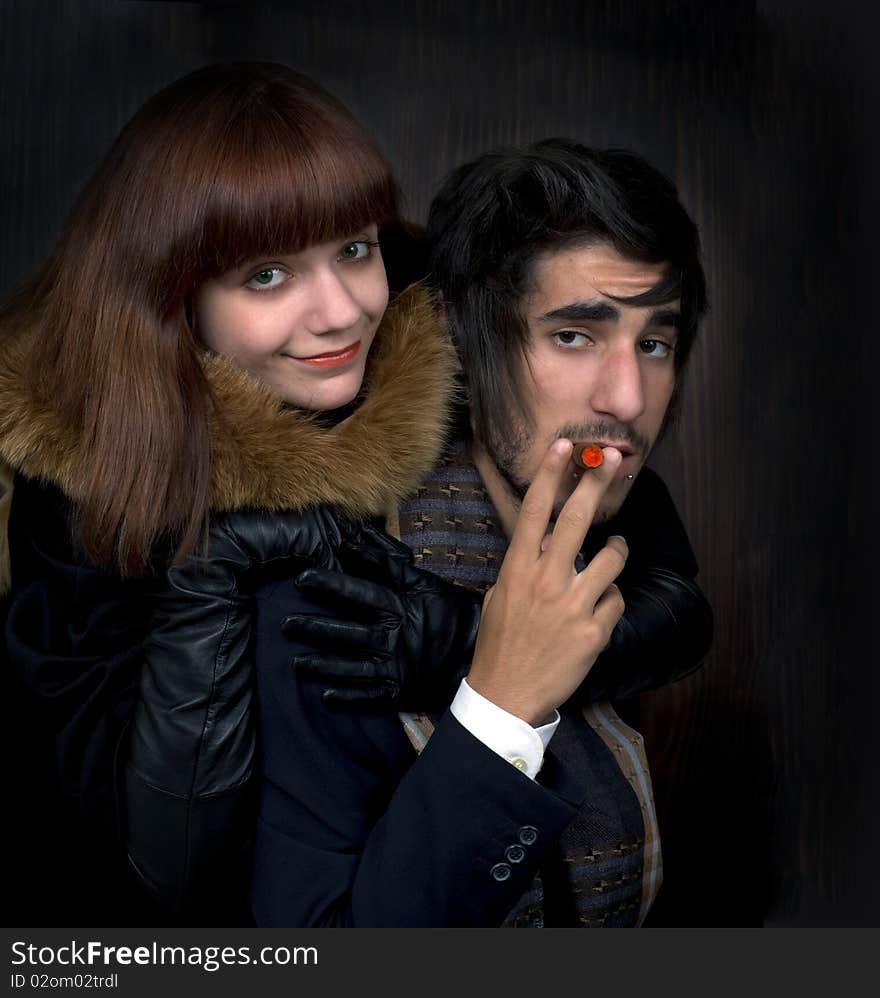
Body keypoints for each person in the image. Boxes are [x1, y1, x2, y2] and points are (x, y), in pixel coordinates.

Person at [0, 65, 706, 928]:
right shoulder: (77, 497)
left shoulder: (432, 337)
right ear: (171, 300)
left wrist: (461, 640)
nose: (339, 314)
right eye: (266, 275)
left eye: (353, 250)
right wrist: (210, 570)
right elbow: (172, 874)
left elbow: (667, 585)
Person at [249, 138, 711, 927]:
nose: (629, 399)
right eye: (573, 335)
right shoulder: (336, 597)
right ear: (457, 336)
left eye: (654, 343)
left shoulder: (611, 538)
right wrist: (500, 705)